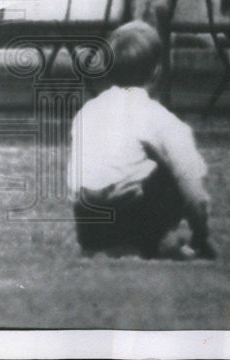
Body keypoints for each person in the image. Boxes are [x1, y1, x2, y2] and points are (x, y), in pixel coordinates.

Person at [70, 21, 216, 259]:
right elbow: (194, 194)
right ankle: (156, 241)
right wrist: (203, 236)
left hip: (88, 221)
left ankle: (103, 246)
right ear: (157, 71)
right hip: (134, 216)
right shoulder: (159, 117)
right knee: (176, 168)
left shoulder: (87, 112)